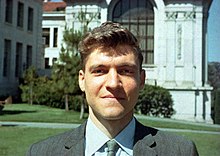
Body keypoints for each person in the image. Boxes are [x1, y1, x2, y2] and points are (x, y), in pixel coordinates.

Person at [26, 21, 198, 156]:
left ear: (142, 79)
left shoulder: (181, 152)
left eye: (125, 71)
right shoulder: (41, 153)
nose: (113, 83)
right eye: (99, 71)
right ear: (82, 80)